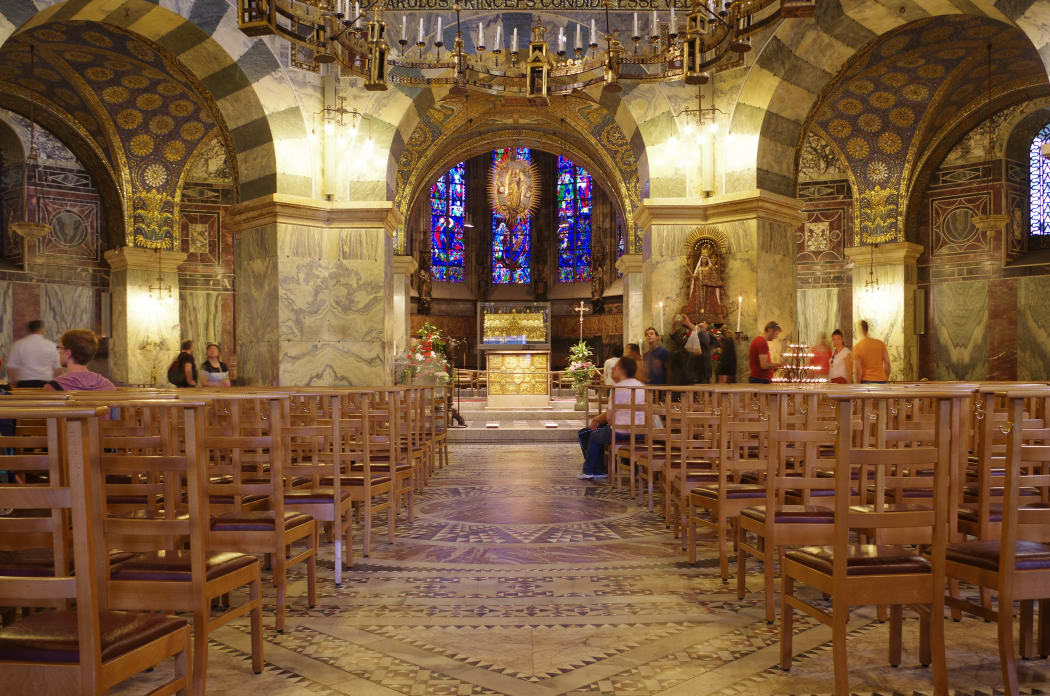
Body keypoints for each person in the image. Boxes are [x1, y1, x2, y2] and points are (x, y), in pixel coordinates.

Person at [576, 356, 645, 480]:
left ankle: (591, 470)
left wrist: (603, 422)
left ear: (622, 370)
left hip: (621, 432)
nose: (613, 369)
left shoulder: (617, 388)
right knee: (598, 432)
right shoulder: (641, 386)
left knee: (594, 435)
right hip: (641, 432)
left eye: (616, 367)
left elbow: (609, 418)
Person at [43, 330, 115, 392]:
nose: (58, 351)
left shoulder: (52, 388)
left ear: (68, 353)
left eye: (60, 348)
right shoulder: (107, 385)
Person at [6, 320, 61, 388]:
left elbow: (11, 367)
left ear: (29, 330)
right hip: (45, 384)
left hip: (24, 384)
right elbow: (57, 368)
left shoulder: (19, 345)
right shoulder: (52, 345)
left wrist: (13, 384)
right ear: (42, 329)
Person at [853, 319, 891, 384]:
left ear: (860, 330)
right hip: (882, 380)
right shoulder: (880, 343)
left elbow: (858, 369)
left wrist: (858, 383)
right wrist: (885, 378)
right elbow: (887, 364)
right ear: (868, 329)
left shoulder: (858, 347)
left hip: (866, 381)